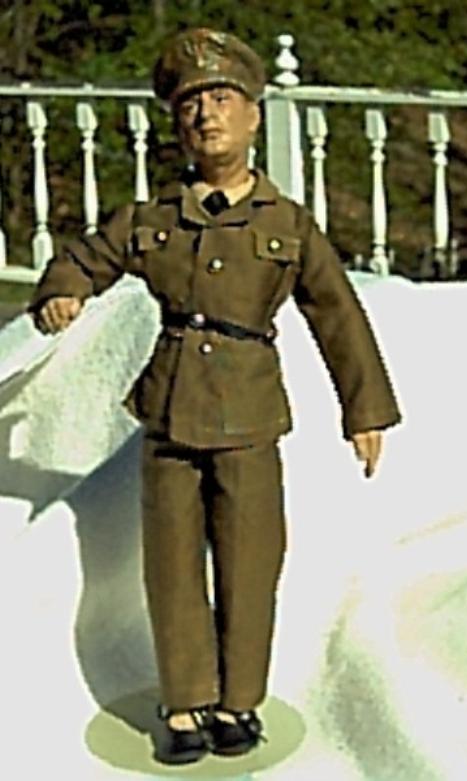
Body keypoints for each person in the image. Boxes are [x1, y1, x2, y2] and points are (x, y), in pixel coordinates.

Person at [28, 28, 402, 766]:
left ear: (254, 115)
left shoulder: (286, 225)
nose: (207, 115)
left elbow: (338, 314)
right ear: (177, 124)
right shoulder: (154, 219)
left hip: (252, 418)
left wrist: (364, 410)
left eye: (223, 99)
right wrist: (61, 290)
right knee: (171, 569)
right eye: (191, 105)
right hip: (169, 417)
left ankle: (240, 702)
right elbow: (85, 256)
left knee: (251, 564)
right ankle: (184, 702)